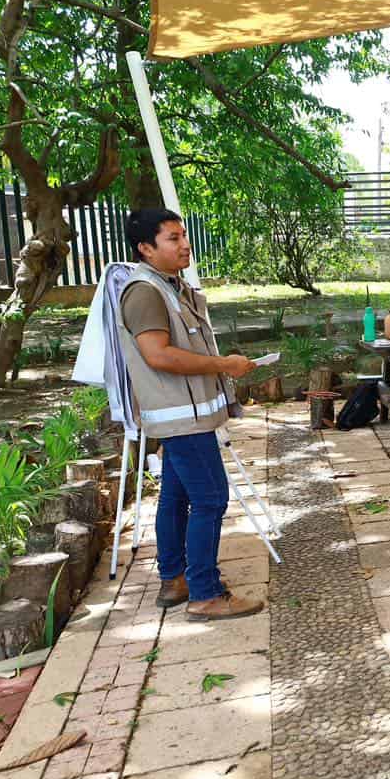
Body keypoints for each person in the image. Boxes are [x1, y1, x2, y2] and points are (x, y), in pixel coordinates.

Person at [117, 209, 264, 621]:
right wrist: (224, 365)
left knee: (177, 495)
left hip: (185, 413)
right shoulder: (145, 291)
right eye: (172, 238)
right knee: (211, 498)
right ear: (146, 248)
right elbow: (157, 355)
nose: (185, 244)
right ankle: (205, 592)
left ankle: (175, 579)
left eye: (184, 235)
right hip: (182, 417)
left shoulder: (170, 286)